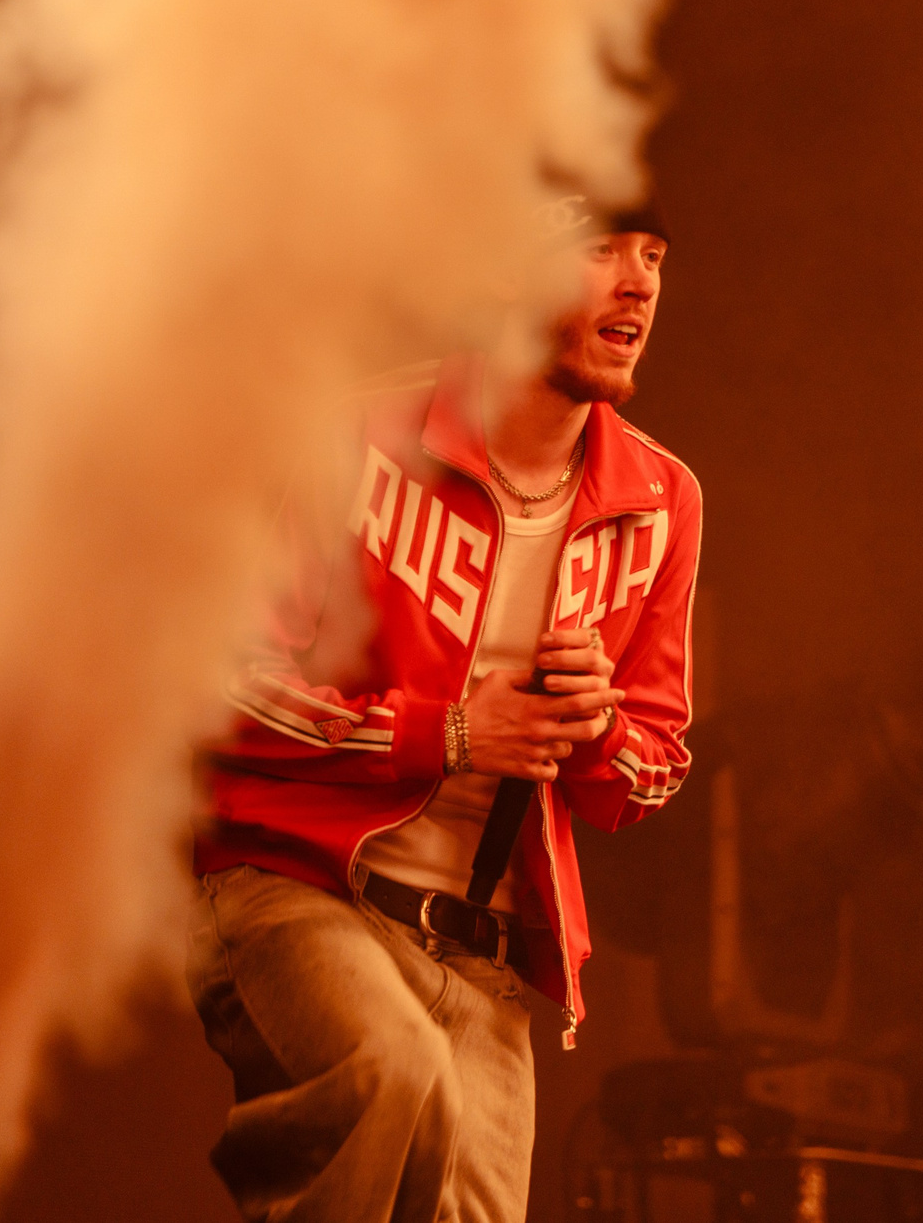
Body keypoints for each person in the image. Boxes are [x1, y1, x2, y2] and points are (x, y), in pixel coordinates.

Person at [188, 198, 700, 1223]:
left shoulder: (662, 498)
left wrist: (597, 727)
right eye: (600, 250)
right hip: (303, 885)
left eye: (651, 255)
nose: (637, 280)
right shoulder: (354, 434)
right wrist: (452, 728)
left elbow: (654, 765)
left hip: (486, 948)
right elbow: (219, 683)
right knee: (388, 1068)